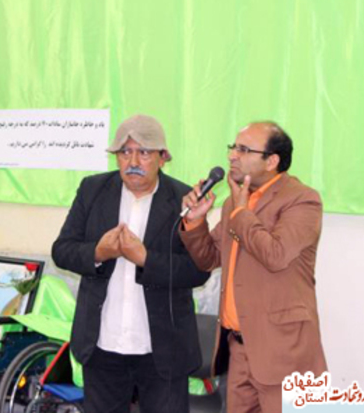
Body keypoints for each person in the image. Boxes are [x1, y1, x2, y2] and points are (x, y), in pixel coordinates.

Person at [52, 114, 210, 413]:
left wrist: (145, 259)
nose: (133, 161)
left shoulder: (182, 198)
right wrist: (98, 252)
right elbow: (62, 250)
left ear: (163, 157)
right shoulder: (93, 190)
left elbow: (198, 270)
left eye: (144, 152)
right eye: (125, 152)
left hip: (162, 349)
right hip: (102, 344)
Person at [179, 121, 327, 412]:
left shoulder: (302, 200)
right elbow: (209, 258)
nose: (232, 156)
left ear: (272, 161)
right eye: (233, 147)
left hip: (283, 352)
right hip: (239, 350)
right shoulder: (235, 203)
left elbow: (276, 254)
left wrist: (241, 212)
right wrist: (195, 222)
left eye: (244, 150)